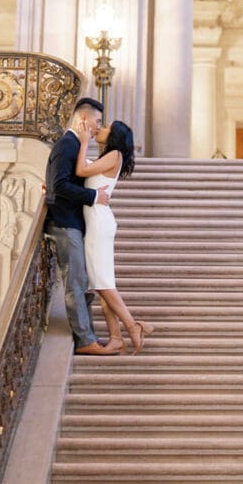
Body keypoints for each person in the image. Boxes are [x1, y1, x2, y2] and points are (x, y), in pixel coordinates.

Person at [44, 97, 121, 356]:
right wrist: (93, 197)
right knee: (75, 282)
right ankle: (85, 340)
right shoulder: (67, 145)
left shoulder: (74, 145)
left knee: (82, 280)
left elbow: (59, 183)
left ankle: (88, 334)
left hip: (73, 222)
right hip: (65, 223)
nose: (99, 127)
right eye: (97, 121)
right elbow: (60, 185)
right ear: (83, 120)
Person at [75, 117, 154, 355]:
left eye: (106, 127)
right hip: (99, 220)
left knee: (103, 284)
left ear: (114, 136)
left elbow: (80, 170)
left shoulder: (115, 154)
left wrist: (83, 141)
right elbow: (86, 170)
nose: (102, 128)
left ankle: (132, 326)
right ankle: (116, 337)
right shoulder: (110, 157)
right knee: (103, 283)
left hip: (99, 221)